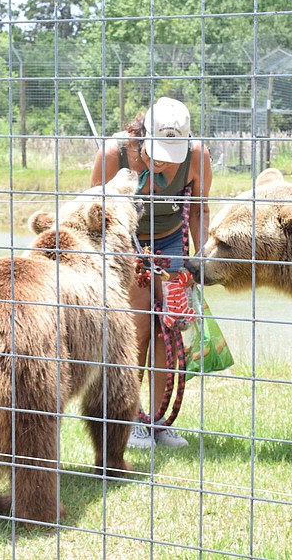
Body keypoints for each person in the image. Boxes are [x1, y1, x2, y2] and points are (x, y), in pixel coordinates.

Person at [90, 97, 212, 449]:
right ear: (142, 134)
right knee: (138, 326)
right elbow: (93, 214)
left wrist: (197, 260)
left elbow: (200, 209)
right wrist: (125, 256)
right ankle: (130, 420)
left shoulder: (197, 157)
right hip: (125, 244)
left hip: (172, 241)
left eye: (170, 153)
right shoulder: (114, 153)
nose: (160, 160)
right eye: (155, 150)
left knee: (170, 328)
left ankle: (159, 422)